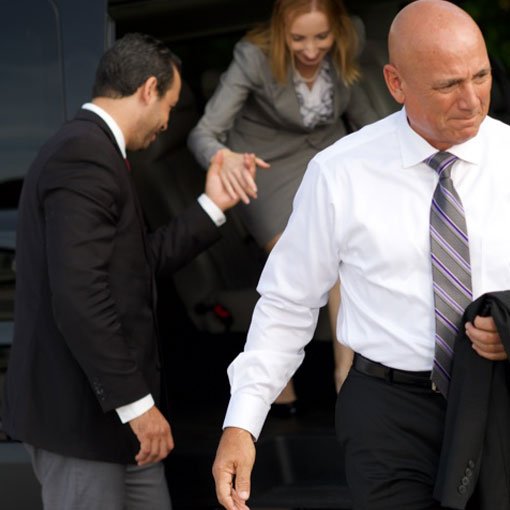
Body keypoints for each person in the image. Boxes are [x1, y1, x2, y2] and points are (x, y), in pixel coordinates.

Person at [211, 1, 510, 509]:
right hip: (388, 415)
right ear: (396, 84)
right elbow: (288, 303)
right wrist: (242, 422)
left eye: (480, 76)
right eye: (447, 85)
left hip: (498, 399)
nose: (472, 100)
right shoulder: (339, 173)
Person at [2, 33, 251, 510]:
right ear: (148, 89)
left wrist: (213, 205)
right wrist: (138, 406)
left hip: (117, 427)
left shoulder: (98, 152)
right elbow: (80, 296)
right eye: (171, 106)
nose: (167, 122)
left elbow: (137, 263)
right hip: (80, 425)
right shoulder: (83, 155)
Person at [188, 0, 378, 410]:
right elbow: (204, 133)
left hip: (326, 159)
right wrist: (225, 159)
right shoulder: (252, 56)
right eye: (298, 39)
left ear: (339, 31)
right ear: (280, 34)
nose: (311, 50)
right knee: (298, 260)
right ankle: (271, 381)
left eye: (321, 37)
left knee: (345, 260)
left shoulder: (350, 41)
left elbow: (368, 116)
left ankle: (346, 381)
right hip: (264, 164)